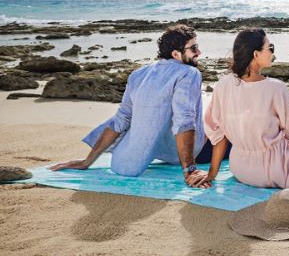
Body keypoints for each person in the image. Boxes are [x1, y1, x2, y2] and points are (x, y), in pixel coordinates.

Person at [49, 24, 218, 188]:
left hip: (158, 150)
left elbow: (121, 119)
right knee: (228, 135)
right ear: (176, 54)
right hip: (187, 153)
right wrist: (190, 170)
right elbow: (184, 121)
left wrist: (87, 162)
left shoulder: (138, 74)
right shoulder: (189, 73)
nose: (199, 52)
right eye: (193, 48)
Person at [203, 28, 289, 189]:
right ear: (256, 54)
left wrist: (212, 174)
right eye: (270, 48)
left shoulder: (223, 85)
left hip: (240, 170)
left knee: (275, 131)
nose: (272, 53)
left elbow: (217, 132)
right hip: (276, 173)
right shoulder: (275, 88)